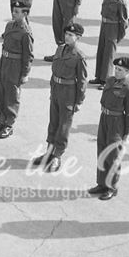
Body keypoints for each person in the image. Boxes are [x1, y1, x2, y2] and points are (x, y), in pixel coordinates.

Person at [33, 22, 88, 173]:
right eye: (66, 34)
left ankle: (57, 155)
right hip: (56, 90)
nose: (67, 37)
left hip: (68, 93)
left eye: (71, 35)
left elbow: (82, 81)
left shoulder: (79, 57)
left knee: (63, 126)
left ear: (78, 38)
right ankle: (49, 152)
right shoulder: (59, 49)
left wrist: (79, 101)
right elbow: (54, 71)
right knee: (53, 123)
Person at [87, 56, 129, 201]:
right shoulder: (109, 81)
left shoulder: (128, 88)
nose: (117, 71)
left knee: (113, 155)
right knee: (102, 149)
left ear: (128, 72)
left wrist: (126, 133)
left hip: (117, 122)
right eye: (116, 68)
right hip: (105, 118)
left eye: (121, 70)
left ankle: (111, 187)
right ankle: (101, 183)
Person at [0, 0, 34, 139]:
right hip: (5, 61)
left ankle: (9, 124)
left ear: (25, 14)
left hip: (16, 65)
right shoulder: (9, 25)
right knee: (1, 90)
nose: (13, 13)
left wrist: (25, 74)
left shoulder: (25, 33)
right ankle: (1, 121)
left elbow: (28, 55)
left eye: (17, 12)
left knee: (11, 95)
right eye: (13, 11)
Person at [91, 0, 128, 87]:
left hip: (113, 28)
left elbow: (124, 21)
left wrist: (118, 36)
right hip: (104, 25)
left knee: (108, 54)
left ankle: (106, 80)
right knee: (101, 50)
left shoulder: (120, 1)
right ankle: (99, 76)